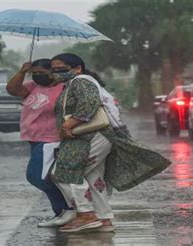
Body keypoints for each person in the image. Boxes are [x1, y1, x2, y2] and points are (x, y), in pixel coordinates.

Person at [50, 53, 170, 233]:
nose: (57, 73)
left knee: (64, 172)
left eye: (61, 69)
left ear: (77, 68)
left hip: (90, 136)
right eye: (54, 70)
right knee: (94, 178)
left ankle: (86, 214)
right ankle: (104, 218)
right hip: (93, 137)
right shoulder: (74, 84)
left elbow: (88, 105)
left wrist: (68, 125)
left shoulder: (81, 81)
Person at [6, 59, 76, 227]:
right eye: (34, 73)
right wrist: (22, 71)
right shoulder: (33, 86)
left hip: (51, 139)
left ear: (52, 71)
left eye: (41, 73)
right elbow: (12, 90)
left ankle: (68, 209)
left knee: (37, 177)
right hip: (34, 139)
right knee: (46, 177)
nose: (37, 76)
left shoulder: (64, 87)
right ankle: (60, 212)